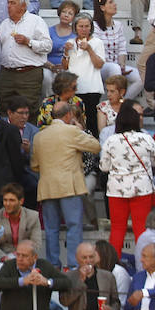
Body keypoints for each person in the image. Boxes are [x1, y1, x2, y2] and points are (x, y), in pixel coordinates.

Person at [33, 102, 100, 269]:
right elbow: (95, 146)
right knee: (73, 226)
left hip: (47, 186)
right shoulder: (72, 131)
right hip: (69, 186)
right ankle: (73, 265)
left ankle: (53, 265)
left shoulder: (39, 135)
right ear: (69, 115)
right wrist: (80, 129)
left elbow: (34, 165)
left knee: (51, 229)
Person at [100, 101, 155, 255]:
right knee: (141, 228)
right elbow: (154, 161)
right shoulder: (146, 138)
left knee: (118, 228)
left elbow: (104, 167)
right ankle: (144, 264)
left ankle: (113, 265)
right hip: (142, 188)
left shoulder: (111, 140)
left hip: (116, 190)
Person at [0, 239, 70, 310]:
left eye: (24, 256)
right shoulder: (10, 266)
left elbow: (67, 283)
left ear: (35, 257)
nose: (19, 259)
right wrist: (22, 281)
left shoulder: (45, 266)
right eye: (18, 255)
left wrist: (47, 282)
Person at [0, 0, 51, 114]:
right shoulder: (4, 24)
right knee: (3, 108)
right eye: (8, 2)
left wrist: (29, 42)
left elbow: (47, 46)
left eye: (13, 3)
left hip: (29, 74)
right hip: (7, 74)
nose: (8, 6)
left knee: (29, 109)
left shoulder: (36, 21)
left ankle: (28, 134)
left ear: (23, 6)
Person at [61, 242, 120, 310]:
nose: (88, 261)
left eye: (91, 257)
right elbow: (64, 300)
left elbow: (116, 303)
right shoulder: (69, 277)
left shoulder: (107, 277)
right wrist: (81, 281)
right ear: (77, 258)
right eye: (84, 257)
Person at [94, 0, 143, 101]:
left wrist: (122, 65)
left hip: (116, 65)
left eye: (114, 1)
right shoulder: (94, 26)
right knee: (114, 68)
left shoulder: (118, 25)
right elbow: (96, 51)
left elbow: (122, 48)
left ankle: (121, 103)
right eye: (110, 2)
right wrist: (118, 67)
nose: (115, 4)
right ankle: (112, 105)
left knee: (140, 77)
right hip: (101, 66)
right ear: (102, 7)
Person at [61, 13, 104, 133]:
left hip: (92, 88)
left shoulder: (97, 42)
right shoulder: (70, 42)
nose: (84, 29)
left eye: (87, 26)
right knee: (75, 121)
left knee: (91, 121)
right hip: (74, 88)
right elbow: (65, 67)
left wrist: (89, 49)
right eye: (81, 26)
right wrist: (65, 51)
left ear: (91, 27)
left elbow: (99, 64)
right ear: (75, 27)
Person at [0, 183, 41, 260]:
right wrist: (4, 257)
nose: (7, 204)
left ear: (21, 201)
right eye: (5, 200)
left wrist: (22, 256)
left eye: (12, 200)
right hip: (4, 257)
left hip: (26, 257)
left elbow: (36, 244)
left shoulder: (32, 216)